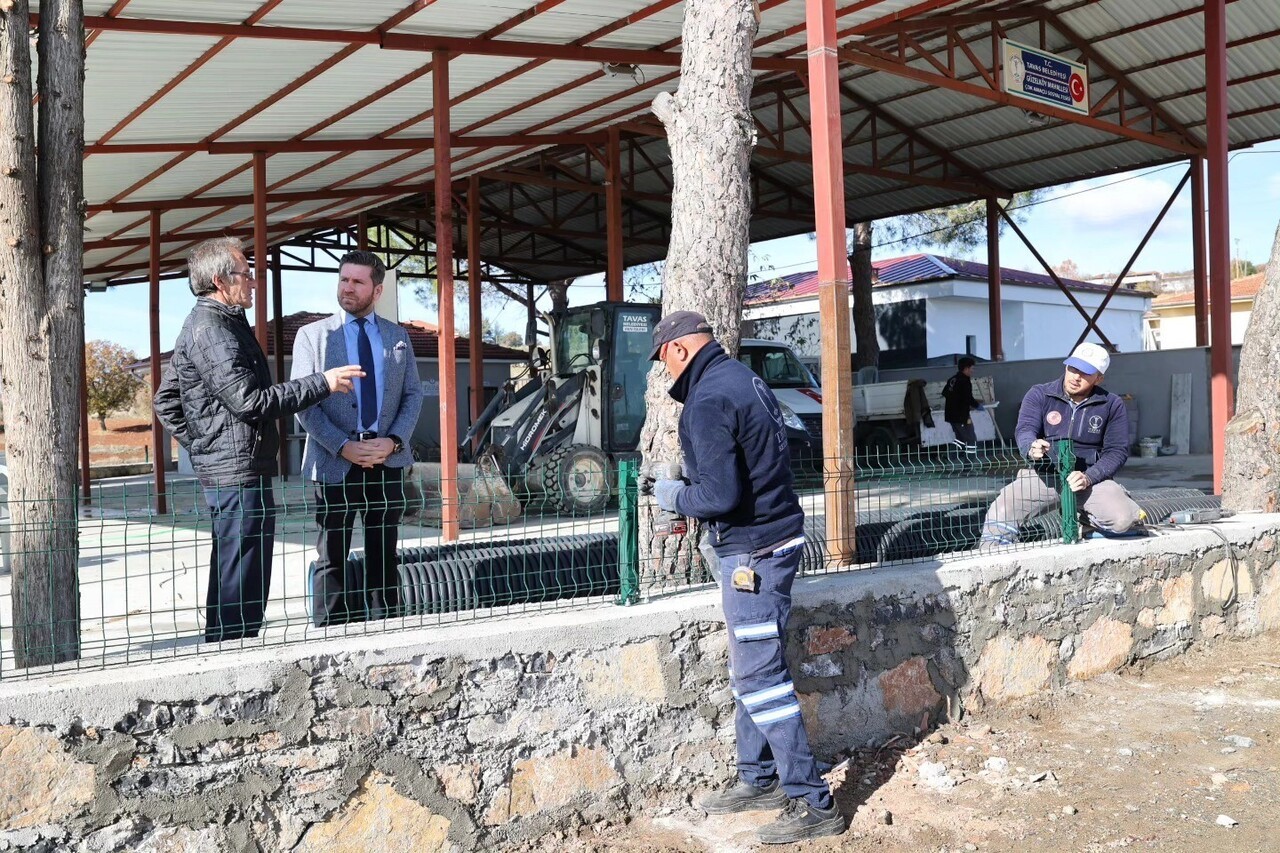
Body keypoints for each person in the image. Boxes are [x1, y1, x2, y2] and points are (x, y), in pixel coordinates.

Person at [649, 311, 845, 845]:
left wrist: (672, 496)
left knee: (760, 677)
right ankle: (757, 778)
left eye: (662, 357)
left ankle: (811, 801)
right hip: (775, 540)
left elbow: (720, 496)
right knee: (752, 667)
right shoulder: (746, 378)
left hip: (751, 556)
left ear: (680, 350)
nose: (662, 370)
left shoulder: (707, 400)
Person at [154, 237, 363, 642]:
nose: (253, 283)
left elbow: (166, 401)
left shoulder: (218, 323)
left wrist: (203, 444)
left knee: (239, 567)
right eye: (246, 275)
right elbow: (251, 402)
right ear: (220, 281)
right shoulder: (212, 329)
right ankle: (235, 654)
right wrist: (323, 382)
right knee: (242, 573)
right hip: (235, 471)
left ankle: (231, 646)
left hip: (235, 466)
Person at [292, 250, 423, 627]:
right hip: (335, 461)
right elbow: (304, 404)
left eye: (357, 281)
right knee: (332, 556)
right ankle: (331, 635)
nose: (347, 287)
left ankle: (386, 631)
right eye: (343, 279)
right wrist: (343, 446)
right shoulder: (312, 337)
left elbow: (413, 394)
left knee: (385, 554)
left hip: (386, 460)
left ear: (377, 290)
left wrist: (394, 441)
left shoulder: (397, 337)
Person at [980, 342, 1143, 548]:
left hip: (1088, 479)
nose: (1076, 377)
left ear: (1099, 377)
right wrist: (1031, 447)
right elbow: (1025, 429)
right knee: (1002, 510)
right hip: (1043, 475)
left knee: (1123, 519)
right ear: (1066, 366)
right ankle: (990, 558)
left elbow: (1117, 451)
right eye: (1073, 368)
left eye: (1085, 373)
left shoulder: (1111, 404)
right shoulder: (1040, 394)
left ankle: (1085, 520)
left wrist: (1089, 477)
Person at [942, 356, 983, 456]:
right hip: (961, 416)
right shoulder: (964, 381)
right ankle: (969, 466)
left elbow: (945, 393)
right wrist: (977, 406)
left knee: (960, 439)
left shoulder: (953, 379)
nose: (972, 371)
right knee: (971, 439)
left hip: (951, 415)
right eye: (972, 368)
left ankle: (946, 458)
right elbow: (967, 398)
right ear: (966, 368)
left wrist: (956, 399)